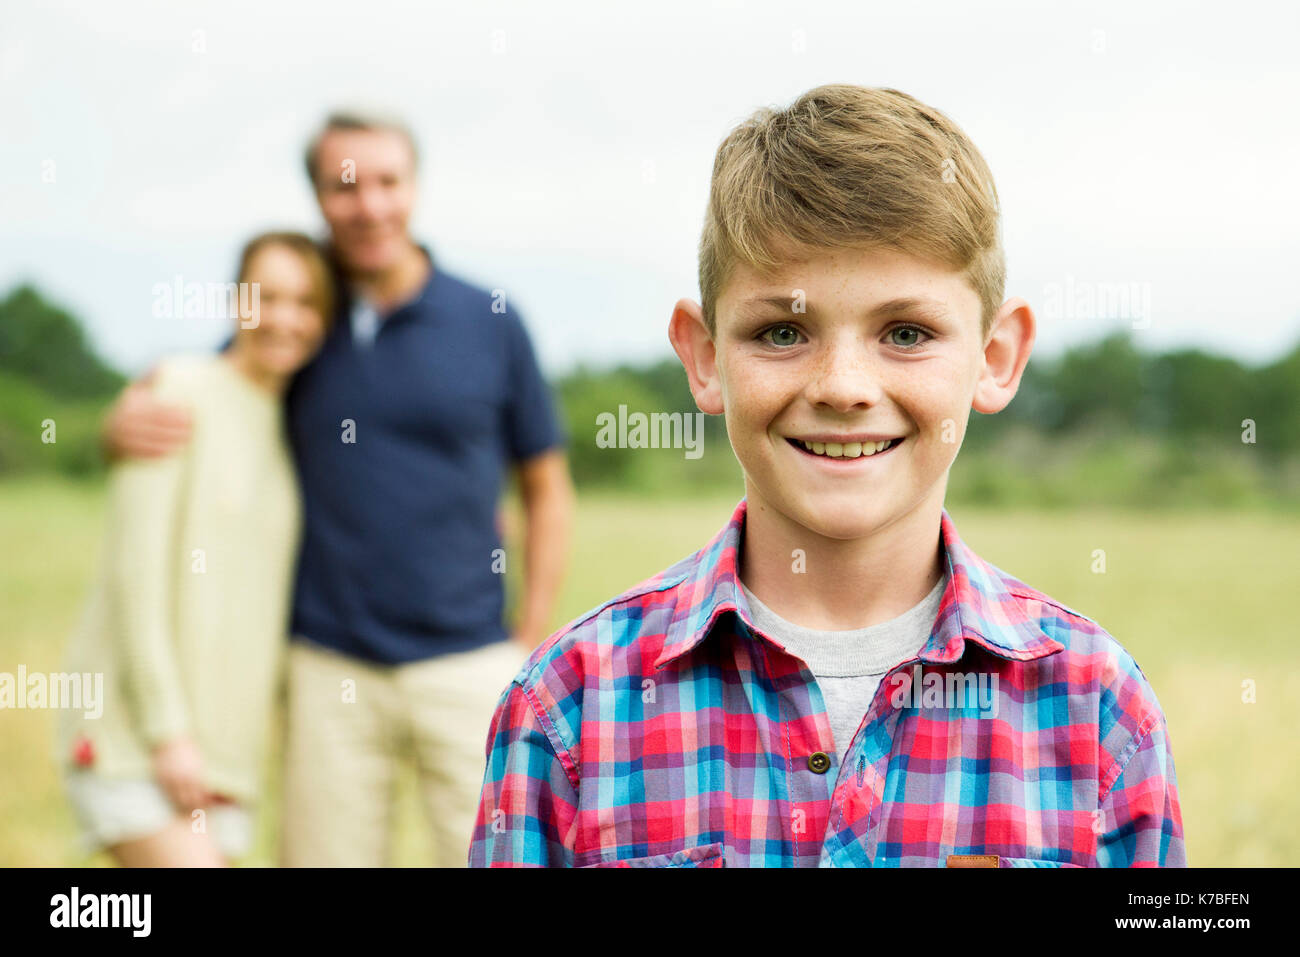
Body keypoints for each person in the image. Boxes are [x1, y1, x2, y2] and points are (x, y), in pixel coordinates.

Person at [470, 85, 1185, 867]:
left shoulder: (1098, 708)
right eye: (783, 331)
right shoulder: (568, 709)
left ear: (996, 355)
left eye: (906, 332)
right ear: (705, 358)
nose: (843, 385)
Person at [100, 112, 575, 867]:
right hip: (329, 667)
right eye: (344, 186)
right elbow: (206, 393)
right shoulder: (297, 323)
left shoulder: (488, 319)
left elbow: (546, 485)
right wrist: (120, 417)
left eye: (387, 182)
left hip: (470, 658)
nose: (369, 205)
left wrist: (531, 636)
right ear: (319, 196)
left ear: (414, 187)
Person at [58, 232, 335, 866]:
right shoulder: (178, 390)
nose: (285, 319)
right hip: (140, 741)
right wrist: (168, 734)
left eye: (305, 302)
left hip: (222, 759)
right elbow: (137, 575)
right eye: (266, 297)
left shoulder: (288, 421)